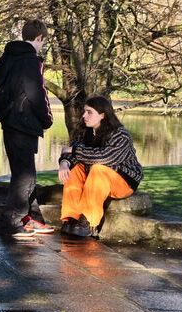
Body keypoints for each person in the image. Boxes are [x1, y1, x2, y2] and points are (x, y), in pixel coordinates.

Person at [0, 19, 55, 238]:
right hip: (24, 124)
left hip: (9, 123)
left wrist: (4, 116)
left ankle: (32, 218)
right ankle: (14, 221)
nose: (42, 46)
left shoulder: (3, 61)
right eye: (43, 42)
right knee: (25, 176)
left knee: (24, 173)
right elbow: (38, 95)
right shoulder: (30, 62)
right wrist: (47, 120)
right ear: (39, 38)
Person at [58, 95, 143, 237]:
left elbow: (104, 157)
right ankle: (71, 218)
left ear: (102, 115)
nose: (84, 115)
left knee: (98, 168)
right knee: (75, 168)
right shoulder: (86, 132)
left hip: (123, 181)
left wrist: (74, 151)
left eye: (89, 112)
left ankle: (89, 222)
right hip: (97, 178)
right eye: (84, 111)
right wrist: (64, 163)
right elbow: (70, 152)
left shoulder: (121, 135)